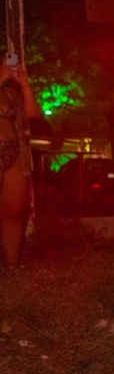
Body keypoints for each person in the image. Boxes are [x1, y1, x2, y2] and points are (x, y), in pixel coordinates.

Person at [0, 59, 38, 269]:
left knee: (14, 214)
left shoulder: (9, 93)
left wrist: (24, 82)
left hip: (15, 153)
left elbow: (32, 113)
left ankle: (12, 268)